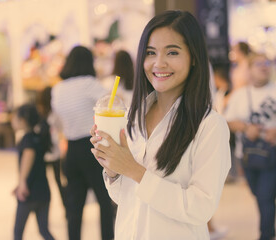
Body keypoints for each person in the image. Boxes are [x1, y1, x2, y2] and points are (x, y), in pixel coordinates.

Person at [90, 10, 231, 239]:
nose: (159, 63)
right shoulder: (133, 119)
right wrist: (113, 168)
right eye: (150, 53)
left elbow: (200, 208)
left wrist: (133, 170)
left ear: (194, 57)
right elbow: (126, 197)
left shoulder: (209, 126)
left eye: (172, 52)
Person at [51, 46, 114, 240]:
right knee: (105, 201)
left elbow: (57, 121)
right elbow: (112, 102)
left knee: (74, 206)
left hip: (70, 150)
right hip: (92, 148)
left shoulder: (58, 88)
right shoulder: (89, 83)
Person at [224, 52, 276, 240]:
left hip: (272, 155)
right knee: (258, 193)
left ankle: (266, 235)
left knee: (265, 197)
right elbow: (228, 121)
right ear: (250, 70)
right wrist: (246, 128)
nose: (264, 66)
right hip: (247, 156)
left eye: (267, 62)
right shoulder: (240, 95)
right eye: (258, 64)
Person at [11, 104, 55, 240]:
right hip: (44, 192)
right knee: (44, 231)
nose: (12, 120)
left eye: (14, 117)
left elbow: (28, 158)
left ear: (22, 120)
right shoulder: (39, 138)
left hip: (29, 193)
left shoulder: (27, 140)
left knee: (18, 233)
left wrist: (22, 183)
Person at [36, 86, 67, 208]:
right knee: (58, 181)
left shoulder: (39, 114)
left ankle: (42, 210)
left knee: (42, 182)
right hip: (54, 152)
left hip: (42, 152)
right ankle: (65, 208)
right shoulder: (55, 113)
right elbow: (61, 129)